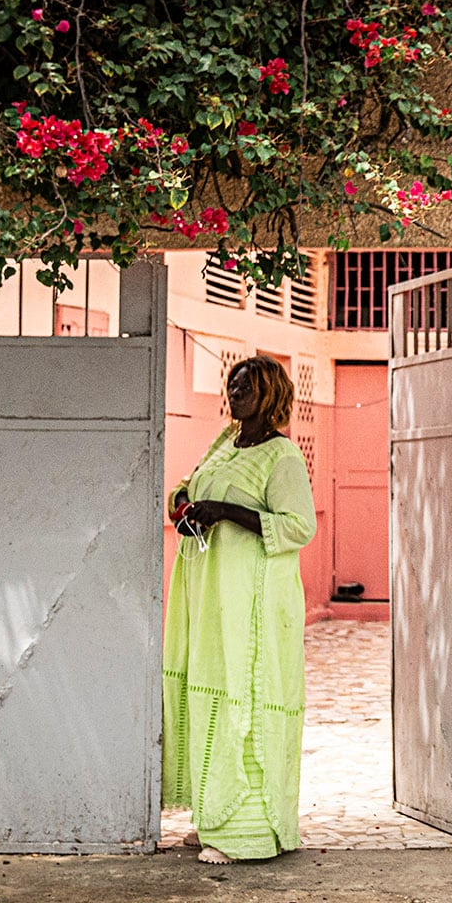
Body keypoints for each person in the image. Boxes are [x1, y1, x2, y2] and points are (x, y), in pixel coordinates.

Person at [163, 354, 317, 864]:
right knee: (208, 687)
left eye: (245, 387)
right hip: (209, 593)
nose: (235, 394)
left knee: (244, 695)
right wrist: (185, 502)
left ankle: (246, 834)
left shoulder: (282, 458)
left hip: (252, 602)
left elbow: (298, 526)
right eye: (231, 386)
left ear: (268, 395)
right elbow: (190, 485)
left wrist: (227, 511)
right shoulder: (225, 444)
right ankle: (214, 817)